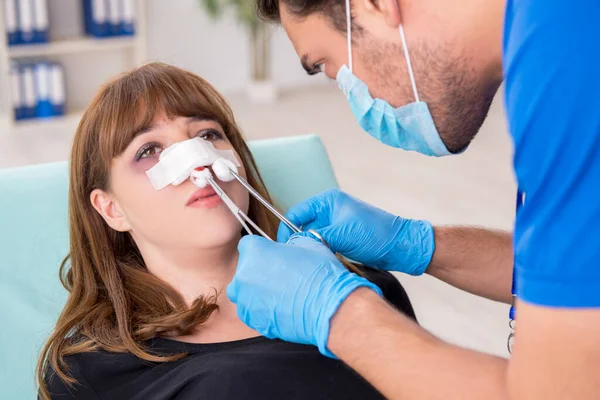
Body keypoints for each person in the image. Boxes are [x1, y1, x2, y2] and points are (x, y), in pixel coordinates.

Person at [226, 0, 600, 398]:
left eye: (325, 64)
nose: (354, 96)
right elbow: (580, 273)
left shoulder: (566, 65)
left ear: (377, 6)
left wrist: (338, 315)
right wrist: (415, 242)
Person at [36, 62, 417, 400]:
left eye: (207, 135)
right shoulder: (86, 374)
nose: (198, 162)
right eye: (149, 150)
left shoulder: (361, 293)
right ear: (111, 209)